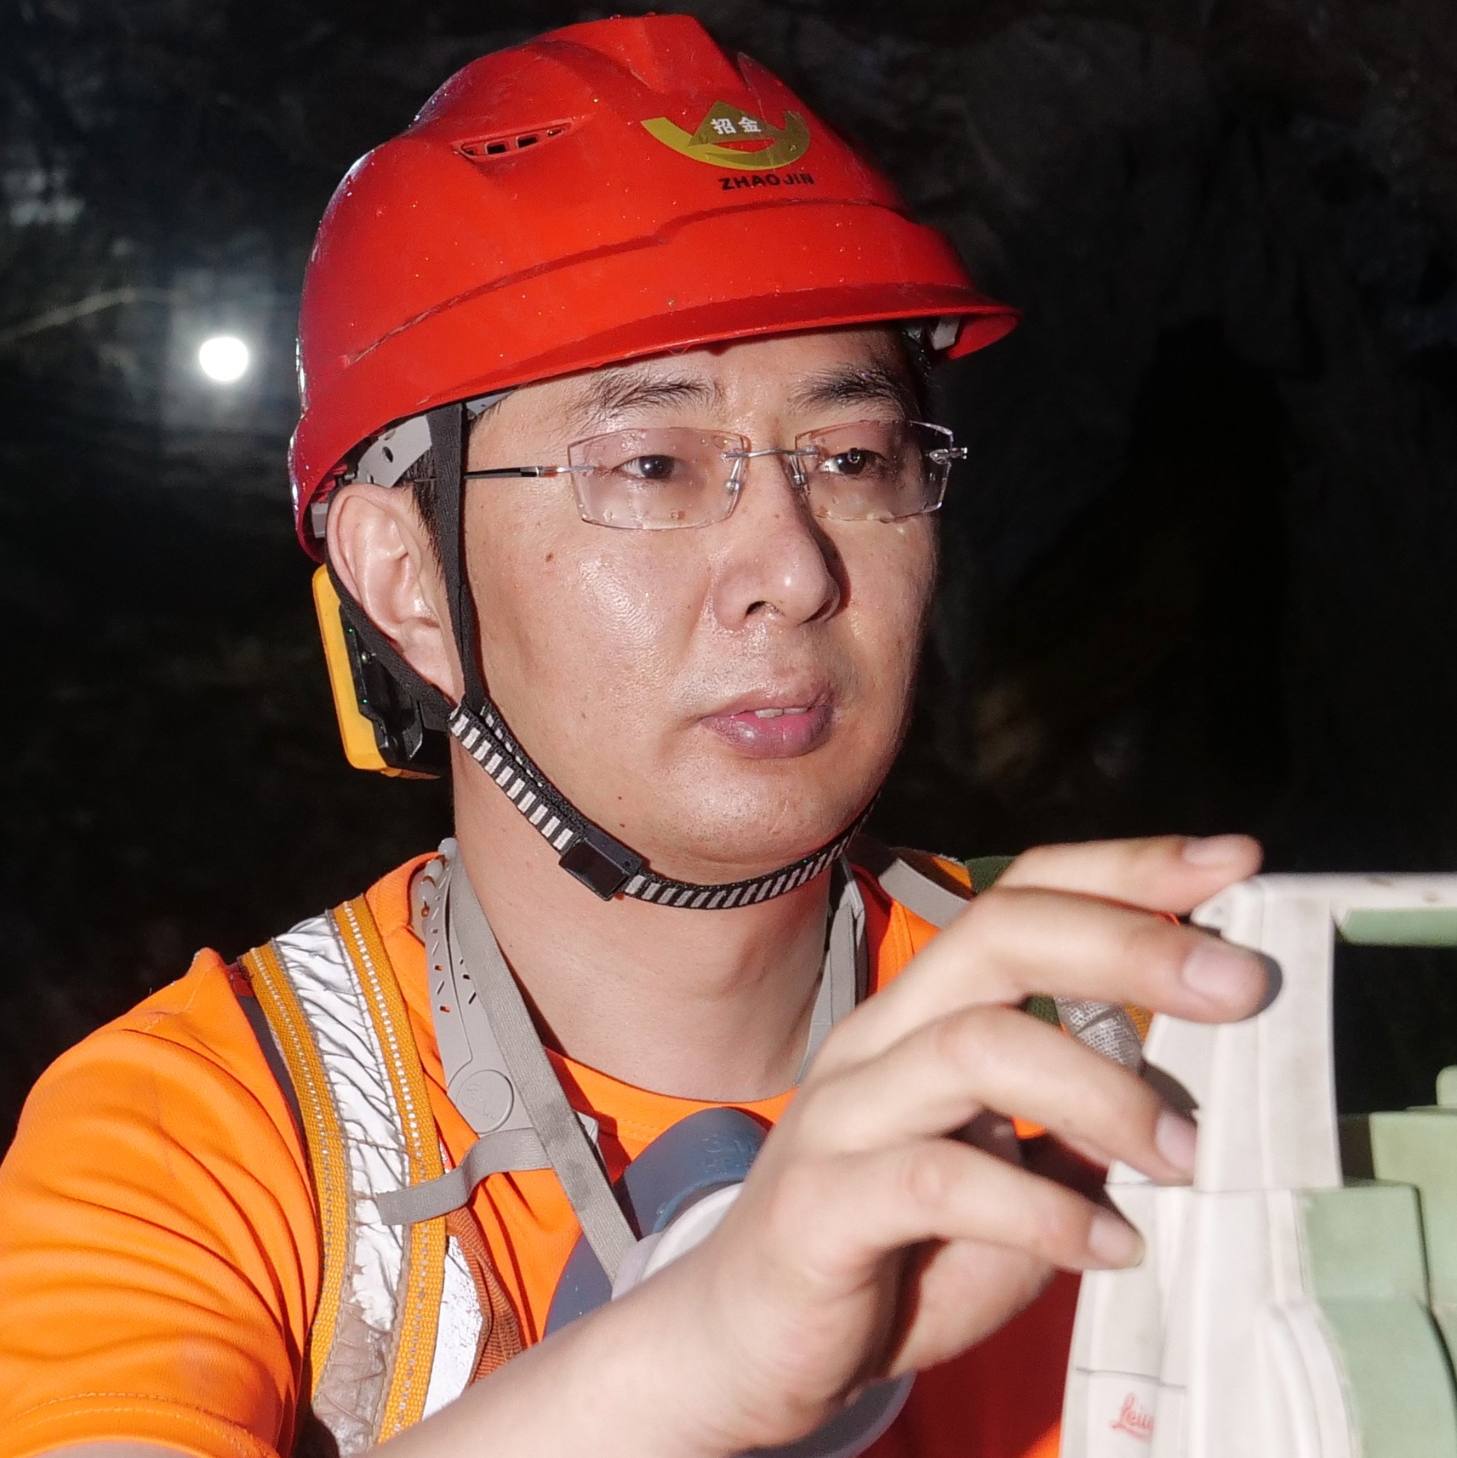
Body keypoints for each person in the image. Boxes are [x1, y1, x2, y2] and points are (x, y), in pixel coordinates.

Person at [0, 15, 1268, 1458]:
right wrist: (698, 1354)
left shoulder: (1145, 1043)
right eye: (654, 464)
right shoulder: (208, 1141)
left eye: (853, 457)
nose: (792, 568)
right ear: (406, 578)